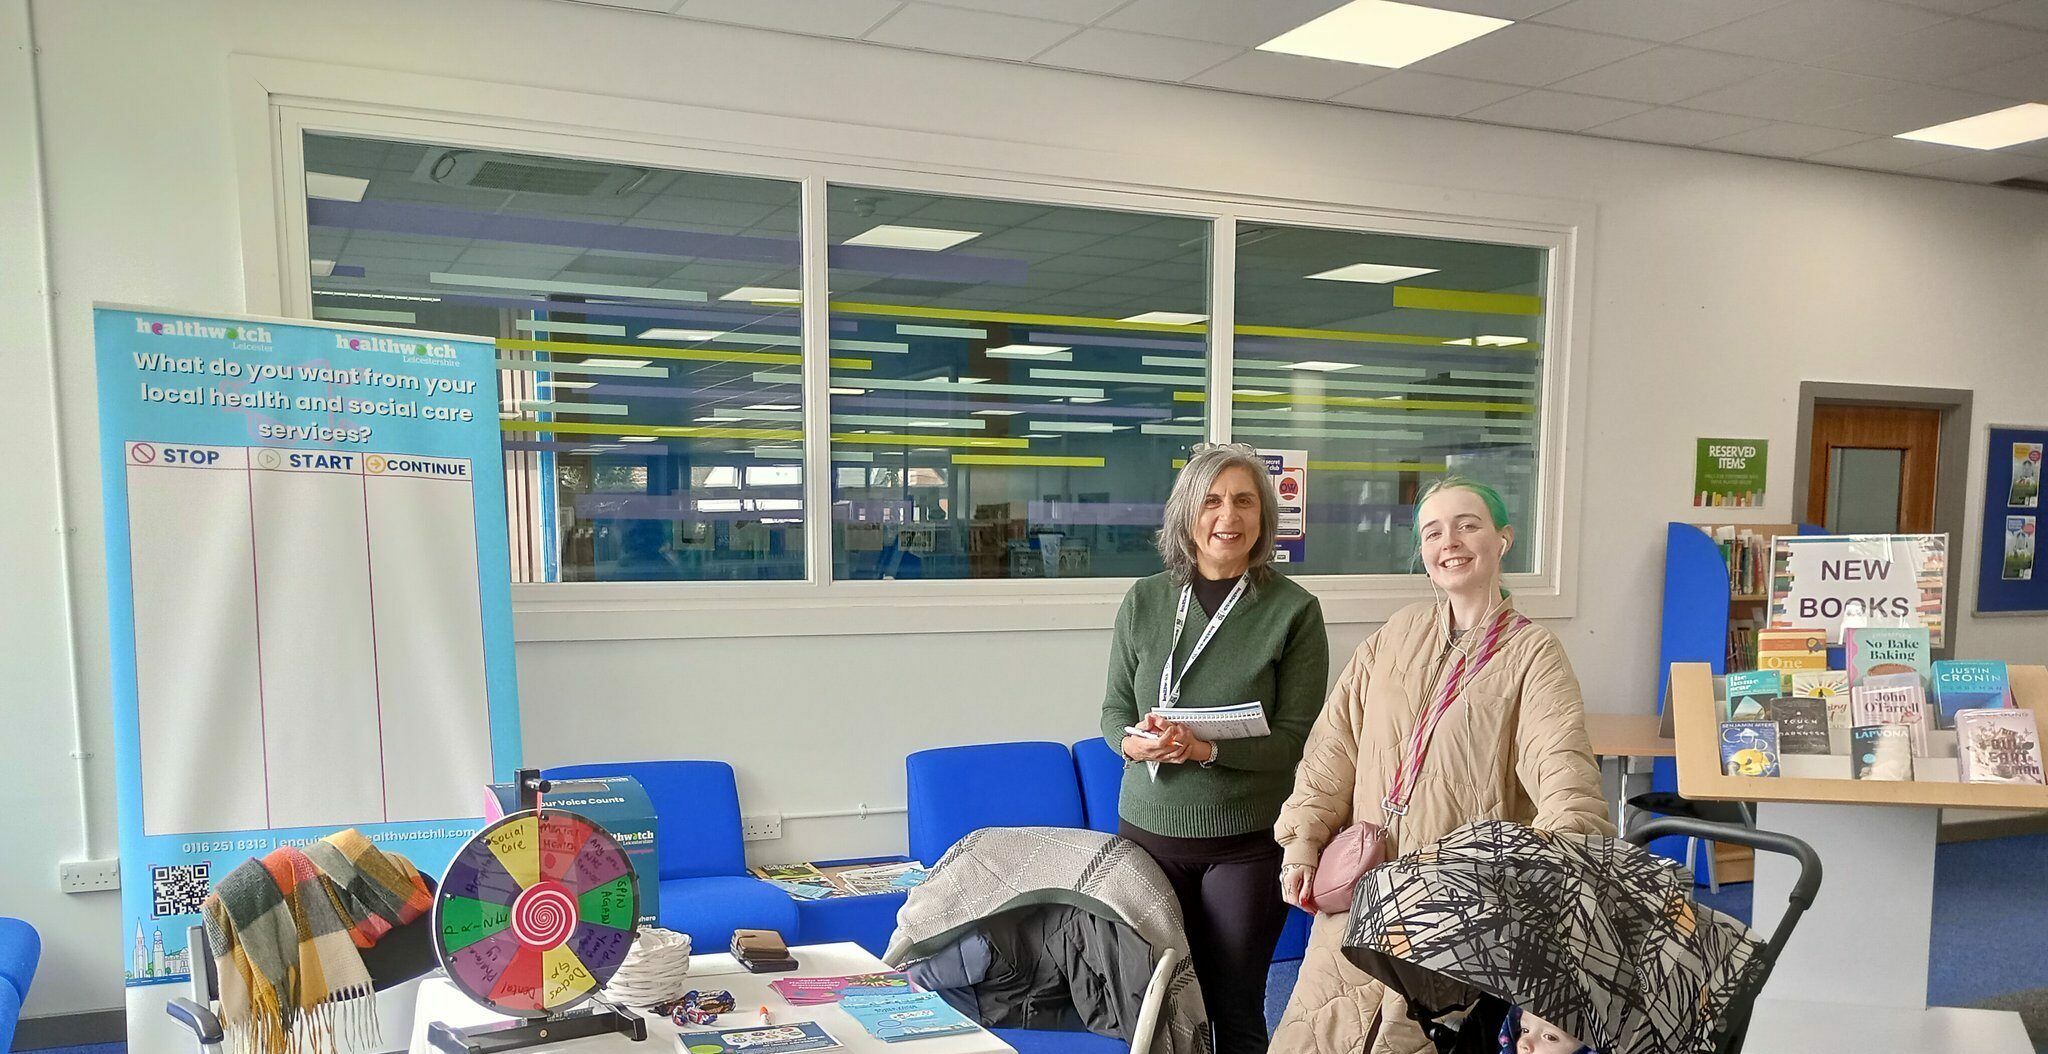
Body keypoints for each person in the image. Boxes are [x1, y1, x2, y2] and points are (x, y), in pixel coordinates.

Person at [1269, 475, 1612, 1054]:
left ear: (1503, 539)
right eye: (1432, 531)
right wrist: (1302, 840)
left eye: (1467, 524)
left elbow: (1564, 774)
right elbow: (1333, 749)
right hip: (1360, 897)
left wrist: (1559, 869)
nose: (1448, 541)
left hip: (1454, 914)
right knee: (1315, 1035)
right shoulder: (1396, 636)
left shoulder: (1533, 654)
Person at [1100, 443, 1329, 1054]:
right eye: (1212, 500)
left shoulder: (1294, 611)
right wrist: (1136, 743)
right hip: (1147, 837)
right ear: (1187, 515)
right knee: (1153, 1005)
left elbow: (1296, 741)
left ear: (1263, 516)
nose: (1228, 515)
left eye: (1245, 501)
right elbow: (1112, 712)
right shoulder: (1144, 600)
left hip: (1245, 845)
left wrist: (1205, 751)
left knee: (1235, 1007)